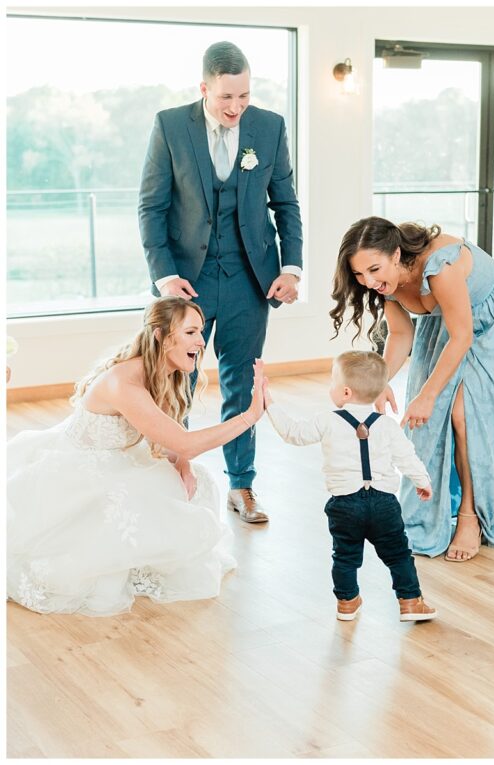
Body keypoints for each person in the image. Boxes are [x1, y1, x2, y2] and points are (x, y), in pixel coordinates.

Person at [7, 297, 265, 616]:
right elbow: (185, 442)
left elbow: (172, 438)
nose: (201, 341)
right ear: (161, 336)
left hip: (120, 459)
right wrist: (249, 416)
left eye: (200, 332)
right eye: (191, 332)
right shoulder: (124, 382)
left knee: (199, 481)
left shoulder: (163, 372)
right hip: (77, 470)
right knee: (131, 501)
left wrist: (183, 465)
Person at [139, 41, 303, 524]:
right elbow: (151, 206)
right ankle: (174, 476)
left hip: (250, 281)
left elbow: (286, 204)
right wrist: (165, 276)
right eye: (226, 97)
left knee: (241, 383)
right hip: (186, 282)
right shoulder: (171, 125)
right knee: (178, 380)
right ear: (204, 88)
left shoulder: (269, 127)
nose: (236, 108)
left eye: (244, 97)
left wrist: (290, 268)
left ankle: (242, 485)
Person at [330, 217, 494, 561]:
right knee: (429, 424)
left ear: (396, 255)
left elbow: (463, 336)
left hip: (487, 320)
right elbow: (401, 334)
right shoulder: (385, 284)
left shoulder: (441, 267)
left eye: (374, 269)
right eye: (359, 274)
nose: (369, 282)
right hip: (446, 324)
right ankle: (432, 514)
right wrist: (380, 382)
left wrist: (427, 396)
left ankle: (469, 516)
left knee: (463, 415)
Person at [263, 351, 437, 622]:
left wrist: (269, 403)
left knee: (344, 557)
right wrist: (422, 481)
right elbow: (407, 457)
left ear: (345, 392)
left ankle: (347, 602)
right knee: (398, 555)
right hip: (384, 504)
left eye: (332, 382)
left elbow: (293, 433)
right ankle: (411, 602)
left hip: (345, 504)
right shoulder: (387, 425)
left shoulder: (327, 420)